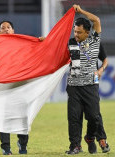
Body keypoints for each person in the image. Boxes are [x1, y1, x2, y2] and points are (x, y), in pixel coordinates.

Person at [65, 4, 103, 154]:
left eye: (79, 33)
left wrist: (80, 11)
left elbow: (97, 20)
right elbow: (55, 46)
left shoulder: (94, 40)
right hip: (73, 86)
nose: (76, 35)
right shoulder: (70, 42)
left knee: (94, 117)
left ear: (88, 33)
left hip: (90, 86)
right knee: (74, 118)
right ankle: (75, 146)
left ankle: (90, 137)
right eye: (75, 31)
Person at [0, 20, 29, 155]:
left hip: (20, 87)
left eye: (8, 27)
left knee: (22, 117)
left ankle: (23, 144)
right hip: (2, 87)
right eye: (3, 28)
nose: (6, 29)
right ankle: (6, 147)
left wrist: (42, 42)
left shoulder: (22, 45)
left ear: (13, 31)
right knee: (4, 118)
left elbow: (35, 52)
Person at [79, 44, 110, 153]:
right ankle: (78, 144)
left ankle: (100, 139)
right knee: (78, 114)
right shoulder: (73, 42)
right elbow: (58, 45)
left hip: (92, 81)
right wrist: (48, 40)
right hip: (76, 82)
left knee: (94, 113)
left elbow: (105, 60)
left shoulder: (96, 44)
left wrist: (101, 69)